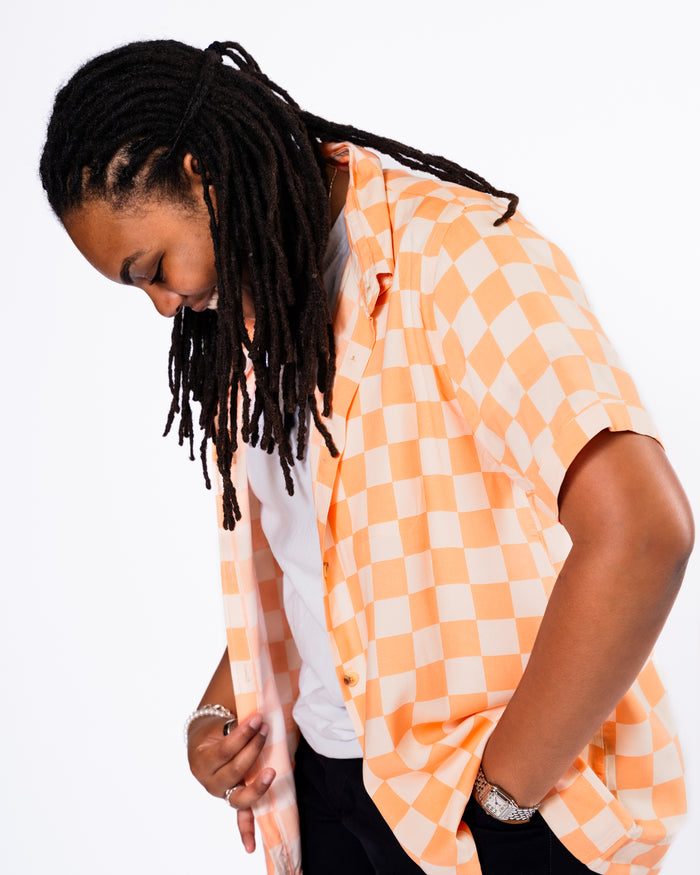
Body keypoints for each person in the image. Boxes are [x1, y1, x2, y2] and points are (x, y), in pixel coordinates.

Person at [40, 39, 693, 875]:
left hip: (484, 805)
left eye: (154, 269)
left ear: (204, 175)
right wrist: (221, 707)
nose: (165, 308)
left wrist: (502, 800)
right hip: (329, 795)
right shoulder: (255, 302)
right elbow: (326, 559)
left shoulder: (458, 256)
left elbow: (643, 531)